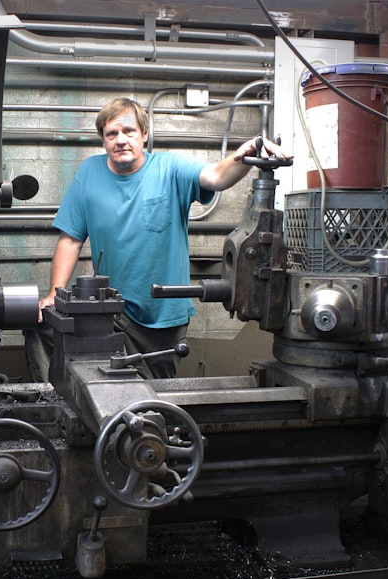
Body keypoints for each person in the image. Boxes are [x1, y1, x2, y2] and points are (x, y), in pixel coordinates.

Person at [32, 97, 290, 380]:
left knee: (154, 401)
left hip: (162, 317)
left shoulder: (170, 169)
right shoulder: (88, 173)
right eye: (111, 134)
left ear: (144, 134)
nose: (120, 140)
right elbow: (70, 239)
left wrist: (246, 151)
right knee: (70, 352)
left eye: (128, 131)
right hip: (112, 312)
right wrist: (54, 294)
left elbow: (217, 176)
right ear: (103, 140)